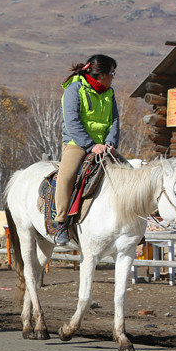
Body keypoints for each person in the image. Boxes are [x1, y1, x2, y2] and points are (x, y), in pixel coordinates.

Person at [54, 54, 120, 245]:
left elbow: (114, 120)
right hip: (76, 144)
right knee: (66, 176)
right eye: (112, 73)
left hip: (103, 146)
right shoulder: (74, 90)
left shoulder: (110, 93)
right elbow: (72, 121)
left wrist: (110, 143)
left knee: (128, 172)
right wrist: (91, 146)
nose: (114, 77)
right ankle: (61, 222)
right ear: (101, 75)